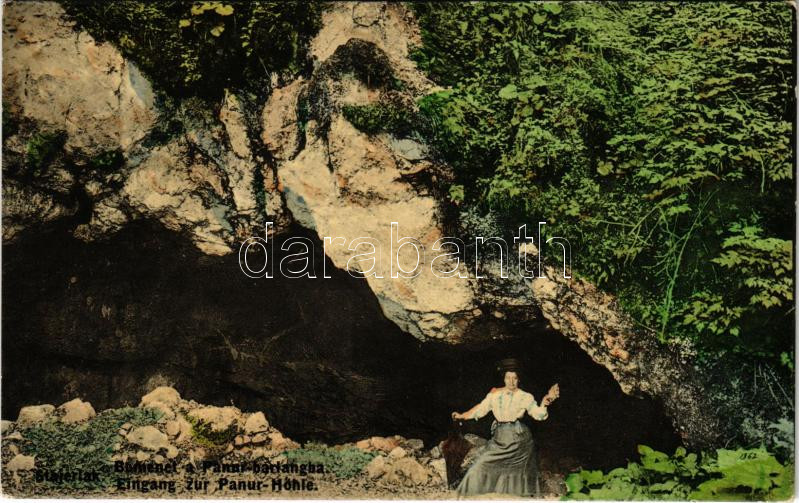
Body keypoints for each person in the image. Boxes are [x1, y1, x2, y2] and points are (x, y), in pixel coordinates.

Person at [451, 359, 559, 498]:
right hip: (500, 439)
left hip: (520, 441)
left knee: (516, 475)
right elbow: (480, 409)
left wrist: (544, 403)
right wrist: (462, 416)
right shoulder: (495, 395)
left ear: (519, 379)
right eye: (508, 377)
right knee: (480, 465)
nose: (511, 381)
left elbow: (538, 414)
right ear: (504, 378)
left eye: (515, 378)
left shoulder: (525, 396)